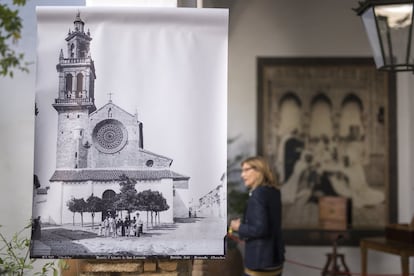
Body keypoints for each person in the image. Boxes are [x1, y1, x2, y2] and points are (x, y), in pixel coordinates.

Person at [230, 156, 285, 276]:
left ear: (259, 170)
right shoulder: (274, 192)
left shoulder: (258, 194)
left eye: (246, 170)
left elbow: (260, 229)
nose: (242, 175)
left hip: (260, 261)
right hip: (275, 258)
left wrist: (238, 227)